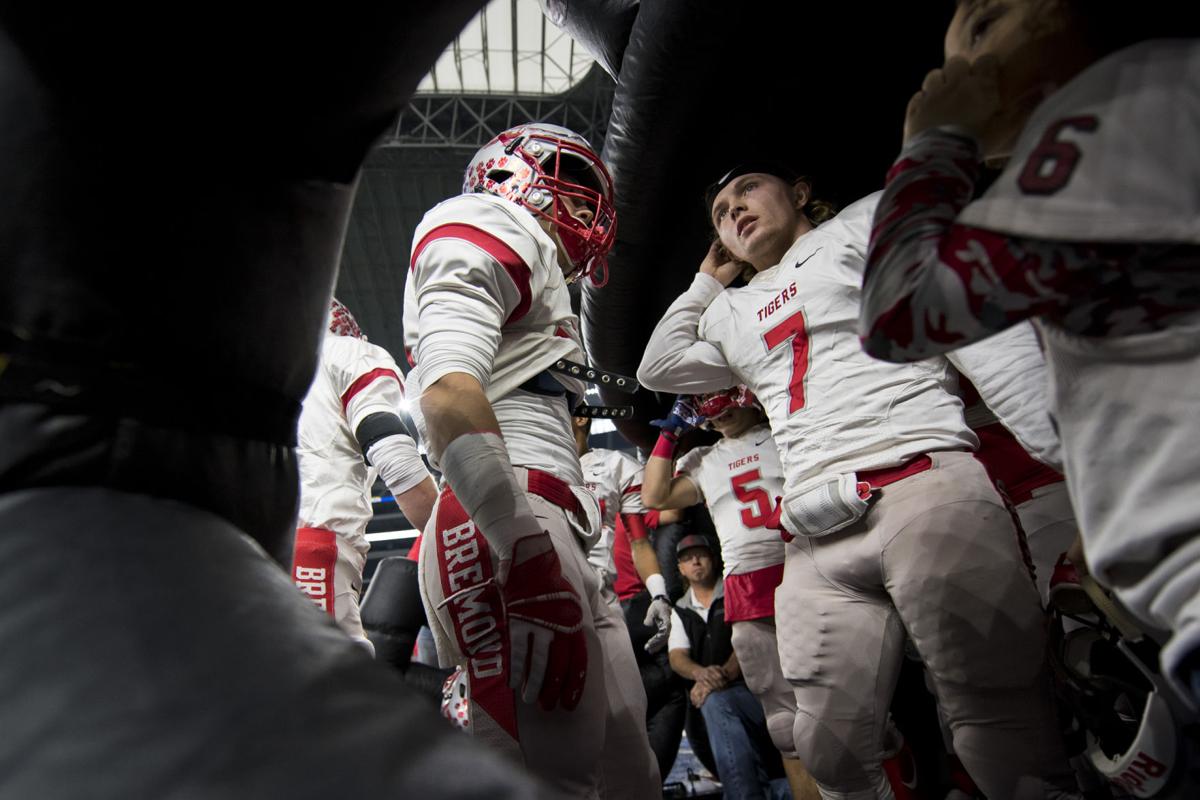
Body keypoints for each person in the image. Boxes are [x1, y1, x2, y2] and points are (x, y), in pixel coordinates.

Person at [0, 4, 550, 796]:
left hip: (219, 532)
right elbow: (394, 451)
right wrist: (447, 530)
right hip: (310, 534)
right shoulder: (354, 356)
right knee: (327, 670)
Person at [637, 163, 1079, 799]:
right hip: (814, 536)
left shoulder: (866, 222)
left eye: (747, 192)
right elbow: (660, 364)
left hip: (916, 479)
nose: (733, 210)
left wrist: (1066, 453)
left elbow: (977, 329)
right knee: (829, 750)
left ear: (801, 191)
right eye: (720, 214)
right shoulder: (732, 309)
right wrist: (706, 283)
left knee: (997, 720)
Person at [856, 1, 1200, 701]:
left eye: (983, 30)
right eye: (952, 61)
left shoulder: (1123, 100)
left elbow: (901, 307)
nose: (959, 73)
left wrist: (933, 139)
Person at [404, 121, 661, 798]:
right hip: (506, 510)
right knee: (544, 768)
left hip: (556, 518)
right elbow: (447, 390)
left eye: (589, 201)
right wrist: (519, 543)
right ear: (507, 175)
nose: (581, 213)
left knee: (626, 765)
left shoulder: (543, 286)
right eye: (567, 189)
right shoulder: (489, 220)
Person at [643, 386, 820, 800]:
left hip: (803, 566)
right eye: (704, 401)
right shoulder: (705, 458)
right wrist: (670, 433)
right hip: (746, 582)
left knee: (838, 704)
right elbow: (654, 496)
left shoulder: (783, 432)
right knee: (785, 724)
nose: (714, 409)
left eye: (722, 397)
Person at [292, 298, 438, 652]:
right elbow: (393, 458)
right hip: (314, 544)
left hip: (245, 556)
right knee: (330, 695)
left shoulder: (261, 370)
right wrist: (450, 536)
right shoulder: (347, 353)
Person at [572, 414, 682, 780]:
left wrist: (660, 595)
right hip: (549, 600)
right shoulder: (526, 462)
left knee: (627, 720)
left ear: (580, 416)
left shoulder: (614, 465)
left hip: (603, 602)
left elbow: (639, 541)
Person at [667, 533, 791, 800]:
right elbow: (677, 657)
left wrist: (718, 676)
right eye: (688, 559)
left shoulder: (734, 590)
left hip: (757, 692)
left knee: (715, 702)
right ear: (680, 569)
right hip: (719, 700)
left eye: (700, 555)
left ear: (712, 558)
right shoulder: (680, 609)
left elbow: (750, 637)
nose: (696, 562)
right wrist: (701, 674)